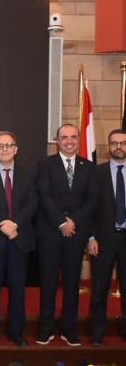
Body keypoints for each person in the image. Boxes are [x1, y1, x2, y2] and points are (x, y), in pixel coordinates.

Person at [36, 124, 97, 346]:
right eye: (64, 137)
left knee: (72, 284)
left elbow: (92, 200)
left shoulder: (89, 167)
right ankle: (45, 329)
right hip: (50, 232)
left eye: (73, 137)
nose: (69, 141)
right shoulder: (44, 165)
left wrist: (74, 222)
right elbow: (43, 196)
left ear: (78, 139)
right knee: (49, 282)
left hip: (76, 234)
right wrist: (61, 222)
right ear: (57, 141)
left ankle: (69, 329)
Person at [0, 131, 38, 347]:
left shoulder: (28, 175)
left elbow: (32, 204)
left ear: (16, 149)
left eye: (8, 145)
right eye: (0, 146)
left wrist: (16, 224)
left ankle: (16, 332)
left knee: (18, 289)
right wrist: (4, 224)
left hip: (20, 240)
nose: (4, 149)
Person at [88, 129, 126, 346]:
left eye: (122, 143)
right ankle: (97, 331)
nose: (118, 147)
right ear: (108, 146)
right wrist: (91, 237)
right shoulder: (97, 173)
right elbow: (90, 208)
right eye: (114, 143)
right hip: (103, 240)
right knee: (100, 288)